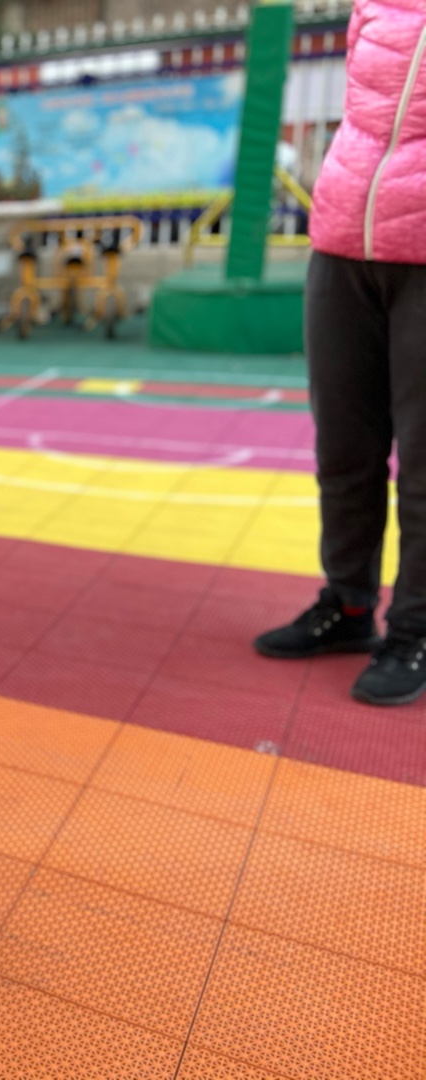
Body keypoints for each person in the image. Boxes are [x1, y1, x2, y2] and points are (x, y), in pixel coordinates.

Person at [253, 0, 426, 706]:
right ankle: (349, 604)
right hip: (344, 239)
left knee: (424, 465)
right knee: (345, 448)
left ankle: (415, 630)